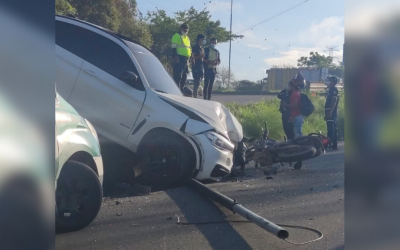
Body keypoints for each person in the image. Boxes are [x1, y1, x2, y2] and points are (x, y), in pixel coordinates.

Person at [171, 23, 192, 91]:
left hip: (186, 59)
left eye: (187, 28)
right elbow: (173, 47)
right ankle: (175, 89)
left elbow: (189, 49)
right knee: (178, 76)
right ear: (181, 28)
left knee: (184, 76)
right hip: (179, 58)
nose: (185, 29)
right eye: (184, 28)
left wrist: (191, 58)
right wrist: (175, 56)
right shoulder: (177, 35)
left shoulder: (187, 38)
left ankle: (181, 90)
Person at [287, 73, 305, 138]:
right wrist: (292, 116)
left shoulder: (295, 94)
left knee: (297, 133)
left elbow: (294, 105)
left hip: (298, 117)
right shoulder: (297, 93)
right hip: (296, 116)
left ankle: (301, 147)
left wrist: (285, 105)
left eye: (289, 85)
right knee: (296, 132)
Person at [325, 76, 340, 150]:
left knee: (331, 129)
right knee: (333, 129)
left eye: (330, 81)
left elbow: (334, 100)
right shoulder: (331, 90)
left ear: (333, 82)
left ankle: (330, 145)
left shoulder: (333, 90)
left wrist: (330, 111)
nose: (328, 82)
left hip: (331, 112)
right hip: (332, 112)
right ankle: (334, 145)